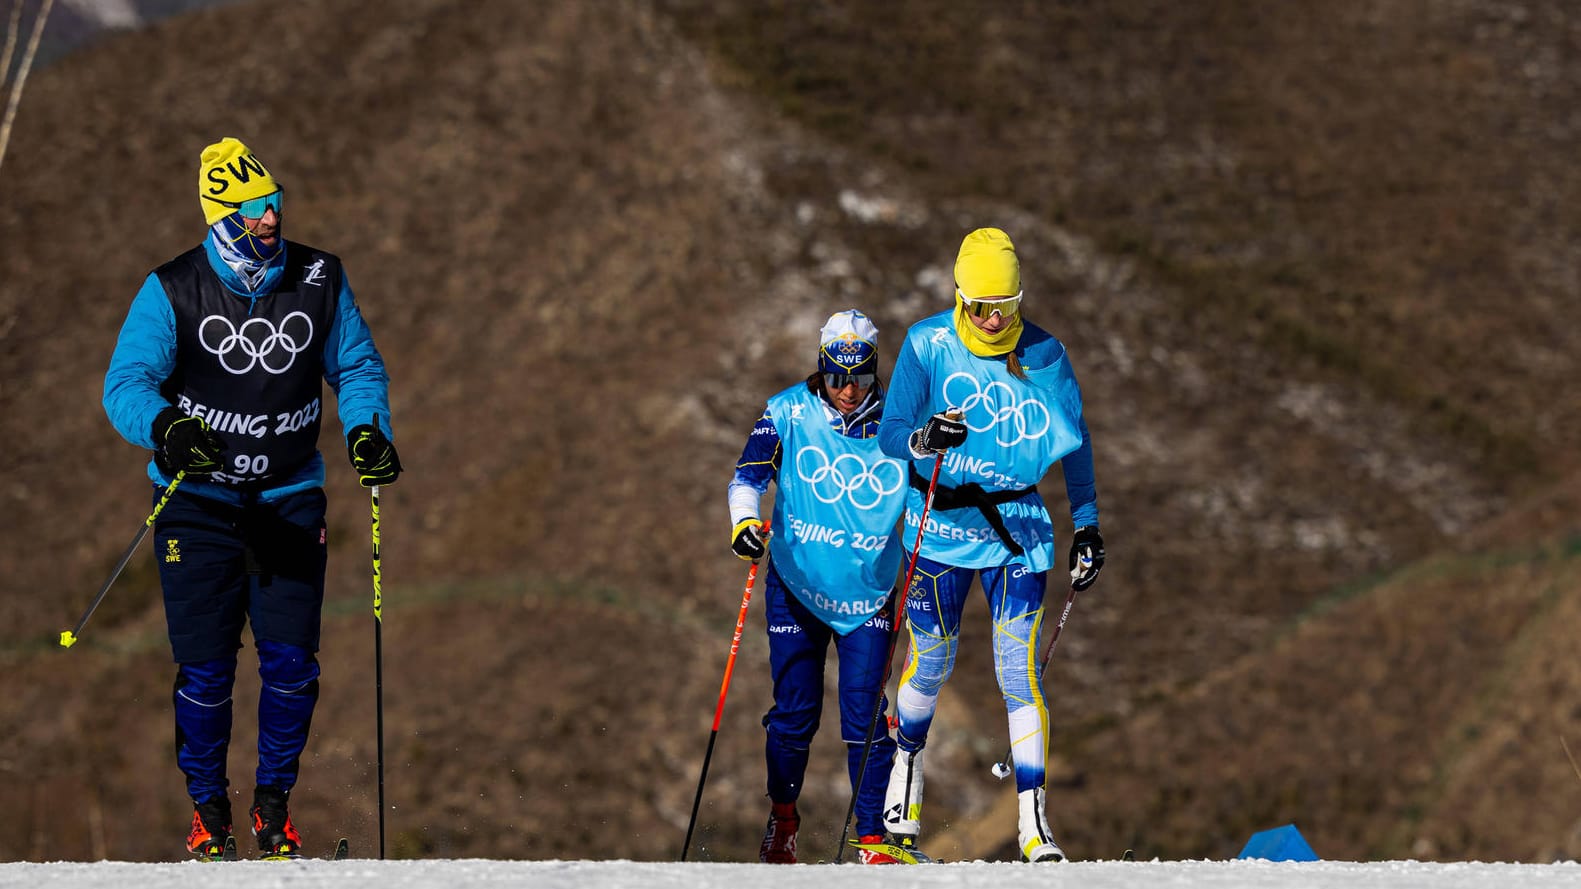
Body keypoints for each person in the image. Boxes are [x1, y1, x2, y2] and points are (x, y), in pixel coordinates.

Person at [102, 137, 402, 860]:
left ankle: (274, 807)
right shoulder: (171, 289)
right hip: (198, 503)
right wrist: (167, 427)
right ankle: (209, 811)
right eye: (254, 209)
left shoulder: (319, 276)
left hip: (290, 495)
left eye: (275, 203)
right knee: (207, 667)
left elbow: (357, 366)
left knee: (292, 662)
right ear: (221, 216)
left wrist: (366, 430)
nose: (271, 219)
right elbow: (126, 386)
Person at [875, 227, 1105, 862]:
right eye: (979, 307)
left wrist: (1086, 524)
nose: (993, 320)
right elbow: (892, 431)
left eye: (1005, 306)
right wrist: (926, 439)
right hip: (942, 529)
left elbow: (1077, 442)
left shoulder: (1046, 355)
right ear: (958, 298)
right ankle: (904, 786)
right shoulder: (928, 344)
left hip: (1016, 533)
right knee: (934, 661)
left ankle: (1034, 826)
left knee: (1017, 673)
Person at [727, 310, 910, 865]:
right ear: (821, 369)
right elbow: (748, 476)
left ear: (875, 372)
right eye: (835, 377)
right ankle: (782, 822)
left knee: (863, 717)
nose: (847, 390)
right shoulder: (786, 410)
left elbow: (942, 472)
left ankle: (873, 840)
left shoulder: (900, 422)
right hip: (796, 584)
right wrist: (742, 523)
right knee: (794, 714)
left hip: (868, 591)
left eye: (857, 378)